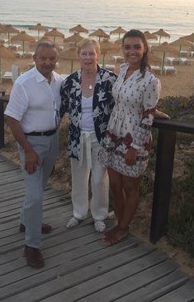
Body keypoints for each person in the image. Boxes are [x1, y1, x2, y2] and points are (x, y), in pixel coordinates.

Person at [99, 29, 161, 246]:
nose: (131, 51)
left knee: (129, 187)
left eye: (136, 46)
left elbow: (147, 115)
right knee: (115, 185)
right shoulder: (123, 69)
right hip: (113, 133)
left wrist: (135, 146)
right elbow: (123, 101)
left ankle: (123, 227)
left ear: (145, 49)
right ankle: (119, 221)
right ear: (122, 49)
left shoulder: (150, 80)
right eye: (127, 47)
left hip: (134, 139)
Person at [4, 41, 63, 268]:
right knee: (36, 195)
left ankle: (26, 223)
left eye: (52, 59)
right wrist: (28, 150)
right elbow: (12, 118)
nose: (48, 62)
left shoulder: (59, 80)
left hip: (52, 140)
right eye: (43, 58)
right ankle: (32, 245)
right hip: (32, 144)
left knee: (40, 187)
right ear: (34, 58)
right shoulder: (24, 83)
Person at [60, 39, 117, 233]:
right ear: (78, 56)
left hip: (101, 138)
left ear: (98, 55)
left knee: (99, 178)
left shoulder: (110, 79)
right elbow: (60, 106)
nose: (87, 57)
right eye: (84, 53)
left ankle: (99, 215)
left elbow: (122, 104)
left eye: (91, 53)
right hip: (77, 137)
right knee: (78, 176)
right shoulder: (70, 81)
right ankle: (79, 212)